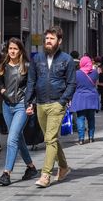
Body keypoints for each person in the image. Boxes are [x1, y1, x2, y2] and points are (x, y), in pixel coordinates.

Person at [25, 26, 76, 188]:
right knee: (52, 139)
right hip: (40, 103)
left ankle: (45, 175)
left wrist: (63, 101)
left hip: (56, 103)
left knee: (50, 139)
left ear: (59, 41)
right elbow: (31, 81)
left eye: (52, 38)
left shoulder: (66, 59)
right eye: (46, 38)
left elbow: (71, 83)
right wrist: (29, 102)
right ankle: (64, 167)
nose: (48, 41)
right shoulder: (37, 59)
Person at [0, 38, 38, 186]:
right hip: (6, 105)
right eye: (10, 49)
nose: (12, 51)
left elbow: (33, 87)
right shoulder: (3, 65)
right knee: (18, 138)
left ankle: (6, 173)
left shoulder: (27, 66)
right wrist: (2, 90)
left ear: (20, 50)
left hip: (21, 105)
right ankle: (31, 168)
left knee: (12, 138)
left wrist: (31, 104)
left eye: (15, 48)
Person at [70, 56, 99, 144]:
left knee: (80, 118)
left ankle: (81, 138)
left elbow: (73, 86)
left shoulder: (76, 74)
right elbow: (95, 84)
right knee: (91, 118)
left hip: (80, 98)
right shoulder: (95, 73)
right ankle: (91, 137)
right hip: (92, 98)